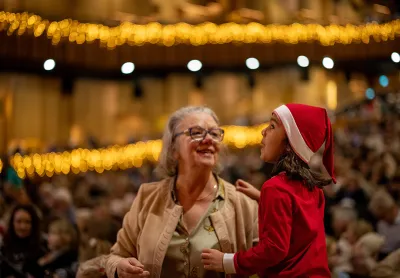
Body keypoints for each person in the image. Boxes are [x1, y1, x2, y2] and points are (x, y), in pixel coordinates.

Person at [104, 106, 258, 278]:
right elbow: (116, 255)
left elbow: (269, 263)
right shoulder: (148, 198)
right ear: (173, 149)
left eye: (214, 134)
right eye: (196, 132)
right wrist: (120, 267)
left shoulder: (244, 204)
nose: (208, 139)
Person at [201, 103, 335, 277]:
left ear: (290, 144)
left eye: (272, 126)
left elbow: (275, 249)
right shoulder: (313, 188)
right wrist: (262, 198)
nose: (263, 131)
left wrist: (228, 261)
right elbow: (298, 221)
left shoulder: (275, 188)